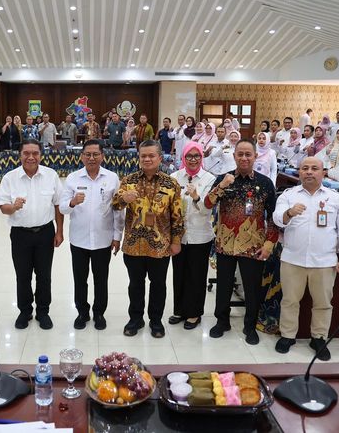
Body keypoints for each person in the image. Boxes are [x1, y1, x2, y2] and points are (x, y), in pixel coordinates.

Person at [272, 156, 339, 359]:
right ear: (299, 172)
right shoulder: (288, 196)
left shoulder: (335, 199)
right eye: (305, 168)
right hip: (293, 259)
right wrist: (289, 213)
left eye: (314, 168)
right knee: (290, 300)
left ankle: (318, 337)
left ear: (323, 172)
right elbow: (277, 219)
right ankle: (288, 335)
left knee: (323, 303)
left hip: (325, 262)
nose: (309, 172)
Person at [204, 139, 279, 345]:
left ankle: (250, 325)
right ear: (234, 156)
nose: (244, 158)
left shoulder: (265, 183)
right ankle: (222, 321)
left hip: (253, 245)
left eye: (248, 154)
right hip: (225, 244)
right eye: (240, 154)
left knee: (252, 287)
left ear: (255, 157)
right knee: (224, 286)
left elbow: (273, 216)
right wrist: (221, 186)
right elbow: (208, 203)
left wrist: (269, 243)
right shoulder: (223, 178)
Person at [113, 139, 184, 338]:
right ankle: (135, 318)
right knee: (135, 285)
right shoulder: (129, 181)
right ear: (139, 158)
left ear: (160, 158)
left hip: (160, 246)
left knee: (158, 284)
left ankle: (156, 320)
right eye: (143, 155)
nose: (147, 159)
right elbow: (115, 205)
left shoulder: (172, 184)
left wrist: (176, 240)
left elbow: (177, 216)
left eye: (151, 155)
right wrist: (122, 199)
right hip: (134, 245)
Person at [0, 139, 64, 330]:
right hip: (20, 234)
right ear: (20, 155)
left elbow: (58, 205)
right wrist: (14, 206)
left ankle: (43, 311)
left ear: (41, 155)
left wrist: (59, 231)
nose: (31, 157)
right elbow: (3, 208)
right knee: (23, 275)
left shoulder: (51, 175)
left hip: (45, 233)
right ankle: (25, 311)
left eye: (35, 153)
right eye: (26, 153)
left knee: (44, 275)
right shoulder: (10, 178)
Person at [60, 140, 124, 330]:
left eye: (95, 154)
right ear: (81, 156)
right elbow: (62, 208)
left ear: (102, 156)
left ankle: (99, 313)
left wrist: (117, 236)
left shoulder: (112, 178)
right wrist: (72, 202)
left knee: (101, 279)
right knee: (80, 279)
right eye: (87, 154)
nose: (91, 158)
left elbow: (118, 210)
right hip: (79, 240)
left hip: (103, 239)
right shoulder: (73, 178)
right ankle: (82, 312)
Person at [168, 141, 215, 330]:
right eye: (189, 156)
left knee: (196, 275)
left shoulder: (210, 179)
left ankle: (194, 313)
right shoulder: (174, 177)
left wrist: (196, 197)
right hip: (178, 236)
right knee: (179, 273)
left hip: (200, 235)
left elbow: (207, 210)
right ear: (183, 157)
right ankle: (179, 309)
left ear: (202, 158)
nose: (193, 160)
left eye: (197, 156)